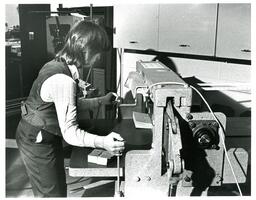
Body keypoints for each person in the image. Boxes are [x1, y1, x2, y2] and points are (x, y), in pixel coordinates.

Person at [16, 20, 125, 197]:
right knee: (50, 193)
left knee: (58, 189)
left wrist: (101, 101)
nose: (99, 58)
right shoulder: (63, 79)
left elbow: (68, 105)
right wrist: (103, 142)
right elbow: (71, 133)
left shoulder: (58, 63)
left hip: (42, 133)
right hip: (36, 138)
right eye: (98, 52)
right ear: (86, 48)